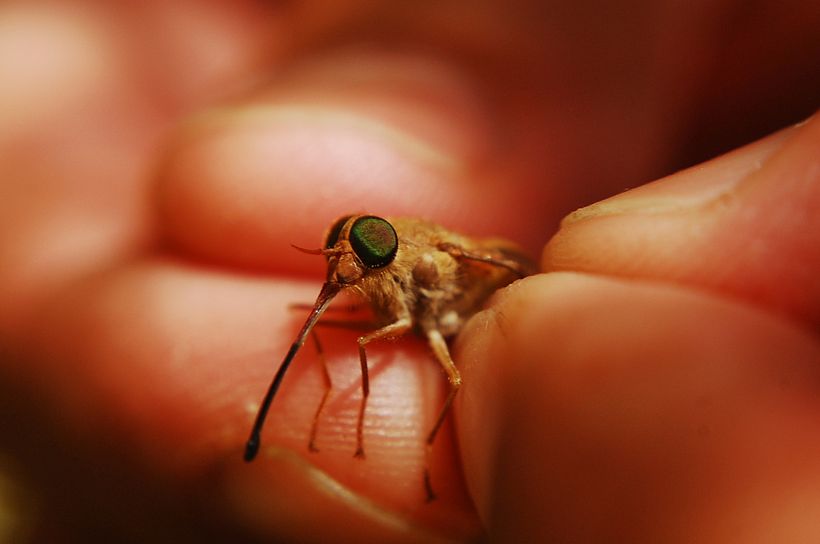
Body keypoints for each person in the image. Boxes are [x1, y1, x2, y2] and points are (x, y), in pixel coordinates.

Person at [0, 2, 817, 542]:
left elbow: (507, 271)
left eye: (363, 247)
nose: (346, 260)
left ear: (394, 251)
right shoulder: (364, 268)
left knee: (454, 374)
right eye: (343, 243)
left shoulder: (431, 264)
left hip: (484, 300)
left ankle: (429, 458)